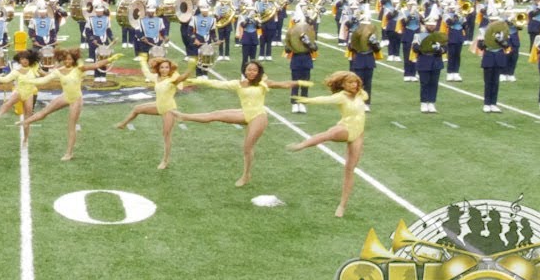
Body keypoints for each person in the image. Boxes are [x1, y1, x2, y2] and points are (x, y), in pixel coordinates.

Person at [177, 61, 310, 187]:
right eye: (249, 70)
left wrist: (299, 82)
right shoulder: (238, 83)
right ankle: (184, 116)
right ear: (245, 71)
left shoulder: (263, 83)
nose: (251, 72)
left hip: (258, 116)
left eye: (254, 70)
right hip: (244, 113)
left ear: (259, 72)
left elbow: (284, 84)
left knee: (247, 148)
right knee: (214, 115)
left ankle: (246, 175)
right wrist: (195, 80)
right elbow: (216, 83)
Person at [285, 71, 369, 218]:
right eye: (350, 82)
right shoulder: (340, 97)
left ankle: (342, 205)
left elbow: (363, 96)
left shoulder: (362, 94)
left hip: (358, 134)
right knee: (328, 134)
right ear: (343, 84)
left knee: (349, 170)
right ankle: (302, 145)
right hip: (346, 128)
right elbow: (324, 99)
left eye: (355, 82)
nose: (354, 85)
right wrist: (307, 100)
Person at [20, 48, 118, 161]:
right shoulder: (59, 70)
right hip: (65, 96)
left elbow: (96, 65)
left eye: (70, 59)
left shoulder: (79, 69)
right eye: (65, 59)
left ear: (73, 60)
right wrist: (29, 81)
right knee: (44, 112)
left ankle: (69, 153)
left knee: (71, 126)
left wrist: (110, 59)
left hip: (76, 100)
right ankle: (25, 122)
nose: (67, 61)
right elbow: (44, 80)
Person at [115, 56, 190, 170]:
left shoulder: (172, 80)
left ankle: (165, 161)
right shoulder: (156, 77)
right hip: (158, 105)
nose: (164, 70)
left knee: (166, 135)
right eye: (162, 67)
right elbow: (146, 72)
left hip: (169, 109)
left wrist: (192, 66)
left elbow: (183, 77)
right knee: (137, 108)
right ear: (158, 69)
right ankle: (123, 124)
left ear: (170, 69)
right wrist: (142, 61)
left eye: (167, 67)